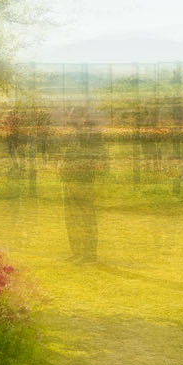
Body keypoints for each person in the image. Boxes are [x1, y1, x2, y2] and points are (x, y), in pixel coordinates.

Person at [59, 109, 108, 264]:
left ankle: (89, 255)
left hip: (83, 182)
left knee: (86, 218)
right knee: (71, 219)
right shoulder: (72, 134)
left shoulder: (91, 134)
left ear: (83, 117)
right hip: (69, 180)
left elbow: (98, 157)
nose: (70, 118)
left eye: (73, 115)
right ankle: (77, 252)